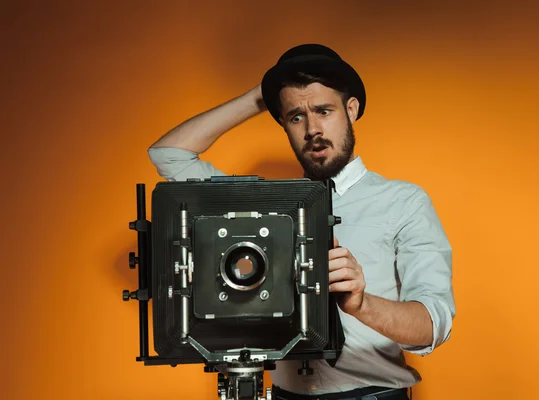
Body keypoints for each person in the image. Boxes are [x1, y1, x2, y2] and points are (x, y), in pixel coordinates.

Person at [147, 44, 455, 400]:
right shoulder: (265, 210)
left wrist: (361, 303)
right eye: (295, 116)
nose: (312, 129)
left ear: (351, 110)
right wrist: (260, 98)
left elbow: (433, 324)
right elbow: (169, 155)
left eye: (323, 111)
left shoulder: (404, 202)